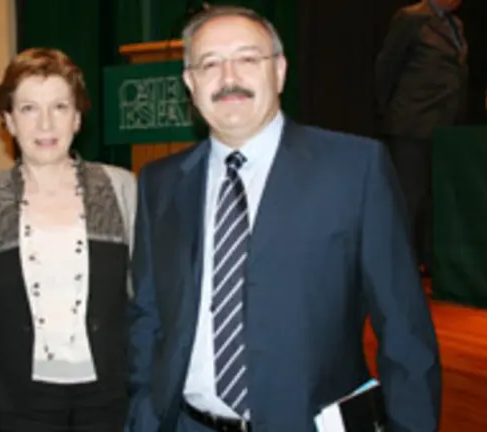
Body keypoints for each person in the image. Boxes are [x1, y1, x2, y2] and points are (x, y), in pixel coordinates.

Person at [127, 6, 441, 431]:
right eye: (210, 63)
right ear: (190, 82)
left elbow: (405, 333)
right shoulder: (159, 183)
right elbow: (149, 316)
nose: (228, 77)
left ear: (279, 70)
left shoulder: (354, 169)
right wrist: (143, 415)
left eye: (247, 58)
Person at [0, 48, 135, 432]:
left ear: (76, 118)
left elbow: (145, 298)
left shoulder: (121, 188)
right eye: (28, 108)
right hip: (13, 404)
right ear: (8, 120)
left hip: (107, 402)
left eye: (59, 107)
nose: (45, 124)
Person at [375, 0, 467, 275]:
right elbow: (387, 66)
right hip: (412, 125)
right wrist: (389, 112)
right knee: (407, 198)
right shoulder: (412, 18)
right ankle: (392, 266)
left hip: (444, 125)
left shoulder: (456, 24)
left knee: (432, 200)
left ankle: (425, 261)